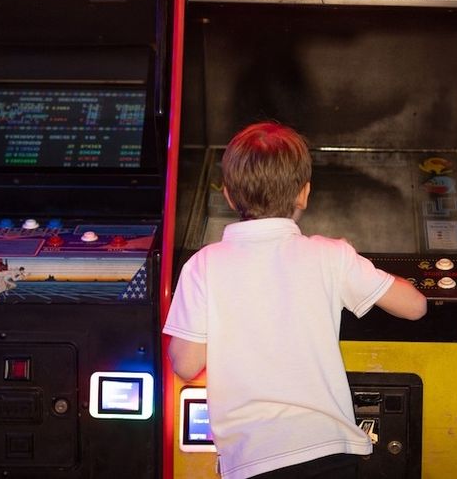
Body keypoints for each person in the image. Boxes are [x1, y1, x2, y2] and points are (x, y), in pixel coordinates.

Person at [164, 121, 427, 479]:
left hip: (253, 459)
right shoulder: (331, 255)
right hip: (330, 451)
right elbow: (415, 306)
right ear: (303, 194)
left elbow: (185, 363)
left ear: (227, 195)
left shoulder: (202, 265)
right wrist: (360, 261)